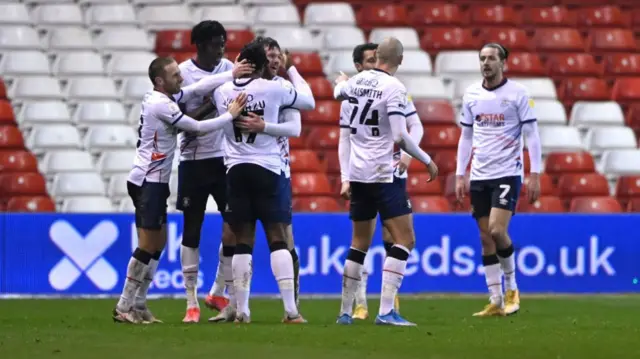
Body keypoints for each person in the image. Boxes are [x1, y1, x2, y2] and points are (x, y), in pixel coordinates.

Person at [112, 56, 251, 324]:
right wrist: (229, 115)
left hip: (155, 180)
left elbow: (199, 88)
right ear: (160, 81)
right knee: (148, 244)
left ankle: (138, 304)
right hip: (147, 181)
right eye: (175, 75)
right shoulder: (161, 105)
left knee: (158, 243)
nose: (182, 78)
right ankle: (124, 305)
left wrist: (231, 73)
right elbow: (196, 127)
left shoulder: (163, 98)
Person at [205, 37, 312, 321]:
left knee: (243, 241)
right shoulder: (275, 88)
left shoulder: (222, 91)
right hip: (267, 168)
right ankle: (290, 310)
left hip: (236, 169)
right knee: (277, 237)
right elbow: (308, 102)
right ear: (262, 63)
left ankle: (242, 309)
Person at [333, 37, 438, 326]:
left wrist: (341, 82)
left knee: (359, 243)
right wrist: (426, 160)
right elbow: (401, 136)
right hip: (383, 173)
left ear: (377, 55)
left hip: (357, 174)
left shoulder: (356, 81)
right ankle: (386, 311)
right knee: (406, 239)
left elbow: (337, 91)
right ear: (400, 61)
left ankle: (344, 312)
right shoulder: (394, 87)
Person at [455, 43, 542, 317]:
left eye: (491, 58)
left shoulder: (518, 93)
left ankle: (512, 288)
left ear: (503, 62)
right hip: (480, 174)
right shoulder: (471, 94)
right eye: (482, 58)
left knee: (496, 230)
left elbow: (532, 135)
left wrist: (535, 173)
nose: (486, 63)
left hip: (507, 172)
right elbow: (466, 136)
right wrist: (460, 173)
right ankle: (495, 299)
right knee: (485, 239)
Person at [175, 20, 237, 323]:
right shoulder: (182, 73)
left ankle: (217, 290)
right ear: (199, 45)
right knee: (192, 230)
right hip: (193, 160)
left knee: (236, 225)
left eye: (223, 43)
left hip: (225, 158)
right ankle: (190, 302)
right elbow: (179, 119)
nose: (221, 49)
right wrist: (214, 104)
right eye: (215, 43)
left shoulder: (230, 66)